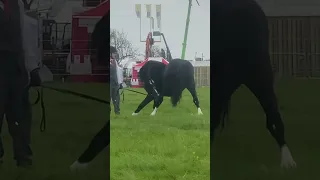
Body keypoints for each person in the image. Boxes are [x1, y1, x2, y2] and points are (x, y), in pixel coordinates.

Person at [0, 0, 41, 168]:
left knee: (21, 115)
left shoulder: (18, 4)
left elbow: (25, 38)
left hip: (16, 68)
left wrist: (32, 68)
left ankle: (23, 156)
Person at [110, 46, 122, 115]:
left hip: (116, 84)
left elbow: (118, 73)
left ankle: (117, 112)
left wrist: (120, 83)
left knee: (117, 99)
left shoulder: (115, 62)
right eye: (114, 53)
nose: (115, 55)